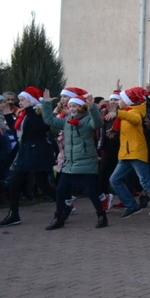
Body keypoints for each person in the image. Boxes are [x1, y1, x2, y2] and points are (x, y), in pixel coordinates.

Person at [106, 87, 150, 228]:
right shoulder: (125, 113)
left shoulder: (136, 112)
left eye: (121, 99)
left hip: (136, 152)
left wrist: (116, 113)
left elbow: (135, 119)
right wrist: (115, 131)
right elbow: (129, 130)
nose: (118, 101)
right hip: (126, 153)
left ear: (128, 101)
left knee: (146, 182)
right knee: (115, 179)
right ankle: (131, 205)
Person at [41, 89, 107, 230]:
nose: (72, 109)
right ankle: (58, 218)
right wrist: (46, 104)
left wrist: (93, 108)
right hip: (70, 164)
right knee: (60, 190)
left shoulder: (88, 120)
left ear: (81, 107)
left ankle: (101, 215)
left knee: (90, 191)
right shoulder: (66, 121)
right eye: (70, 106)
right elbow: (49, 120)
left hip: (86, 163)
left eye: (75, 106)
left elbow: (98, 123)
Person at [0, 87, 56, 228]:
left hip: (36, 153)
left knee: (41, 184)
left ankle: (63, 204)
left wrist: (29, 109)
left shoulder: (38, 112)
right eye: (20, 100)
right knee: (19, 183)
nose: (20, 102)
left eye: (23, 99)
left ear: (31, 100)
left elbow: (39, 128)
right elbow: (20, 132)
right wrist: (8, 116)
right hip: (26, 152)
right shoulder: (24, 114)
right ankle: (14, 214)